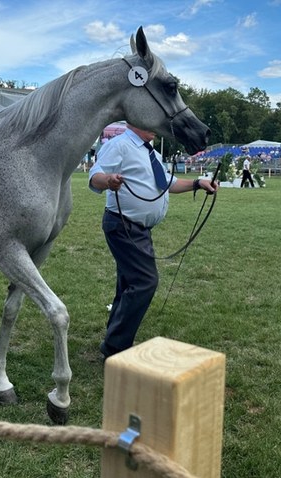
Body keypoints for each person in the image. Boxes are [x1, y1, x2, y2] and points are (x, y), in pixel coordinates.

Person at [88, 124, 217, 360]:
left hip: (139, 229)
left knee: (129, 283)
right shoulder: (120, 145)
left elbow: (168, 183)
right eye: (151, 123)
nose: (157, 128)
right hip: (122, 225)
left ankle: (114, 336)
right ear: (135, 122)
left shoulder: (152, 153)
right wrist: (109, 180)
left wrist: (198, 183)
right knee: (145, 281)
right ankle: (116, 347)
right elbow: (95, 175)